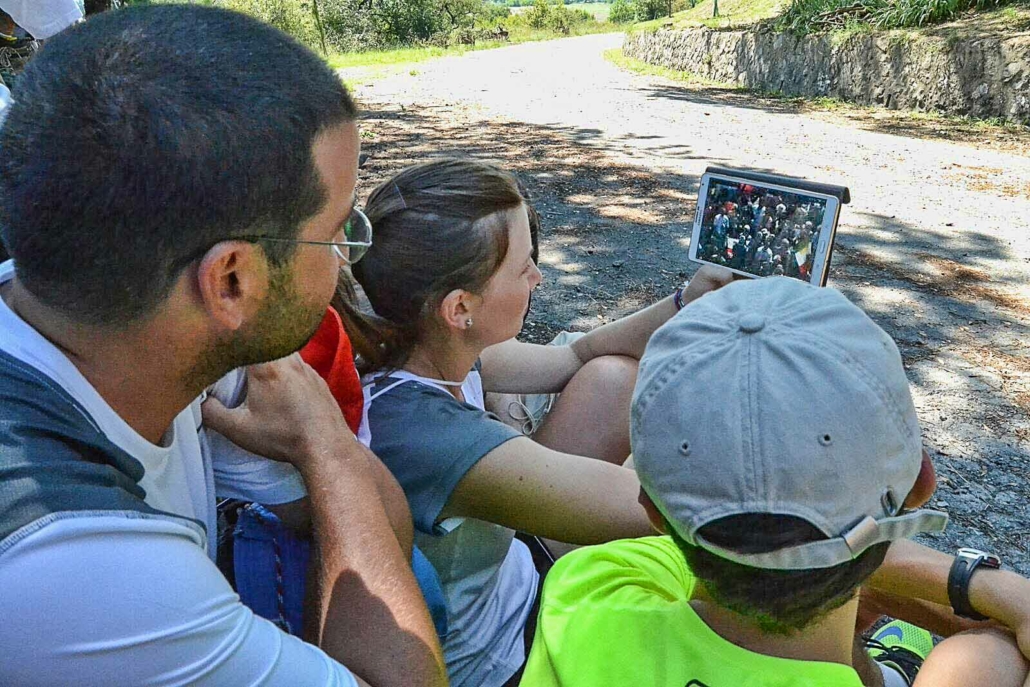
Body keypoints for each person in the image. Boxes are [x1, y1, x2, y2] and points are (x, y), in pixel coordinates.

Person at [0, 6, 446, 686]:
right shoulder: (85, 570)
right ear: (231, 280)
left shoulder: (93, 314)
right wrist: (323, 442)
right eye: (335, 229)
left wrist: (325, 459)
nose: (349, 255)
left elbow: (387, 528)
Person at [233, 158, 732, 686]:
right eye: (523, 267)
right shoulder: (429, 434)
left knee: (608, 376)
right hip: (502, 659)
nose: (538, 276)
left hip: (513, 573)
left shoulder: (422, 343)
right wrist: (725, 379)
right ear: (459, 308)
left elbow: (577, 353)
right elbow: (643, 505)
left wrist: (687, 304)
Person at [520, 277, 1030, 687]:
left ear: (651, 512)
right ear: (922, 485)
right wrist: (991, 631)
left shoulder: (585, 590)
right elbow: (984, 654)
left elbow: (755, 548)